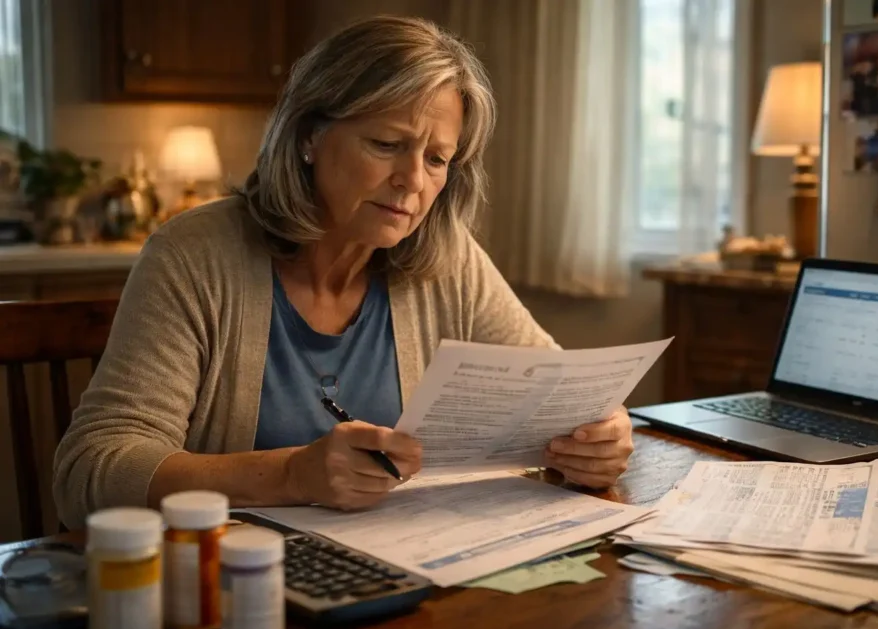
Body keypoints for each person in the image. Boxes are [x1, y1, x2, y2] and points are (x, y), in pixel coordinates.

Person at [52, 16, 635, 529]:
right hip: (231, 593)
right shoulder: (195, 254)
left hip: (402, 586)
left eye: (437, 159)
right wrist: (291, 476)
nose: (413, 180)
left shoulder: (446, 256)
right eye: (386, 144)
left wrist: (596, 439)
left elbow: (561, 394)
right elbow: (90, 474)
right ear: (309, 136)